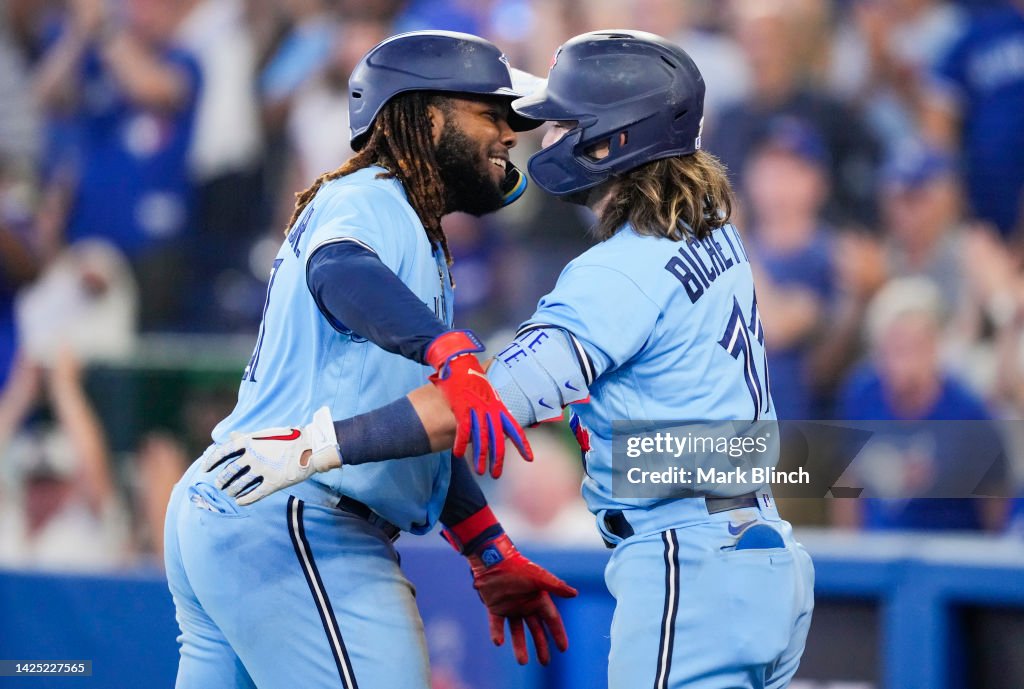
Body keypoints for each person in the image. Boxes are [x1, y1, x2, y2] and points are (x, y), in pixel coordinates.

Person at [208, 30, 816, 689]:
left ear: (614, 139)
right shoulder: (711, 225)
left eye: (562, 122)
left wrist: (316, 446)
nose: (539, 136)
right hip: (766, 558)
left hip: (689, 564)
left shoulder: (617, 273)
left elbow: (476, 403)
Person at [163, 31, 575, 689]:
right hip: (298, 514)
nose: (508, 134)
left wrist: (486, 545)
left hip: (244, 502)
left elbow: (407, 424)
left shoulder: (409, 224)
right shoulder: (377, 195)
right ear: (427, 115)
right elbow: (340, 270)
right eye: (490, 114)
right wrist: (448, 349)